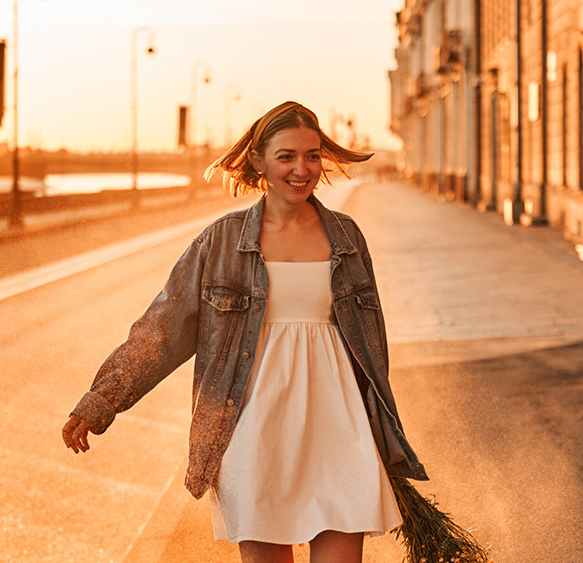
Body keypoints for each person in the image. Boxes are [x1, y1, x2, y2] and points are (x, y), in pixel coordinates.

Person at [62, 101, 427, 563]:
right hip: (253, 430)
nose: (302, 169)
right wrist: (102, 399)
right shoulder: (220, 243)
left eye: (312, 156)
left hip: (339, 427)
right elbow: (162, 330)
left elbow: (373, 351)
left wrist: (381, 434)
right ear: (258, 161)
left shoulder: (347, 237)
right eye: (286, 156)